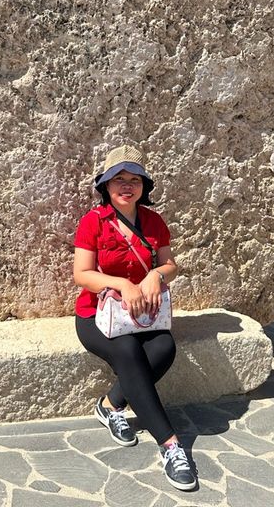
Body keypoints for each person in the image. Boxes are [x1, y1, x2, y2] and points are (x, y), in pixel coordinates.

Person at [73, 145, 197, 491]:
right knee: (128, 352)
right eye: (119, 179)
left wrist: (157, 276)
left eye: (134, 180)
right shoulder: (93, 222)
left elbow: (170, 264)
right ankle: (171, 445)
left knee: (164, 349)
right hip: (98, 314)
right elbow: (82, 275)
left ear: (144, 186)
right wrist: (121, 283)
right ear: (106, 186)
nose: (127, 186)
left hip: (144, 315)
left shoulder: (154, 221)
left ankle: (111, 405)